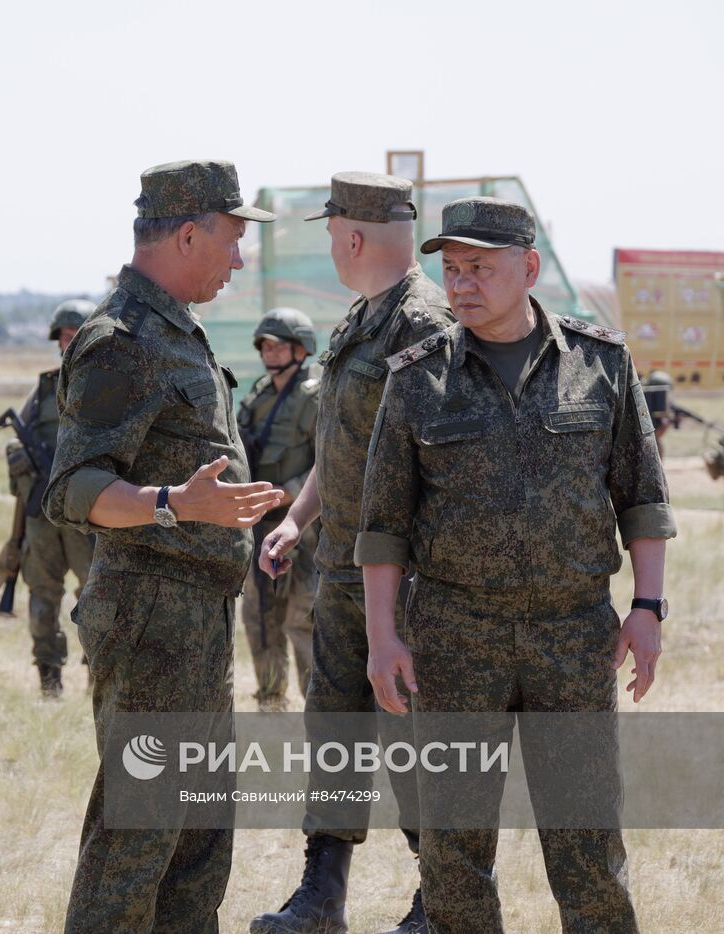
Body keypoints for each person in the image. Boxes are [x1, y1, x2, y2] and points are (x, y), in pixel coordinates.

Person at [358, 197, 675, 933]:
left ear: (528, 268)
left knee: (586, 836)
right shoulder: (414, 377)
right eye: (452, 270)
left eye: (481, 268)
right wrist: (382, 636)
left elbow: (644, 499)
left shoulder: (601, 363)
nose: (462, 285)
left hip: (572, 633)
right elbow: (382, 526)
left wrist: (648, 608)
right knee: (454, 843)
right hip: (454, 636)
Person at [43, 158, 280, 932]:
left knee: (199, 846)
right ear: (187, 234)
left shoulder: (183, 332)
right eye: (233, 240)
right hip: (150, 620)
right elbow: (73, 489)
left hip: (197, 620)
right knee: (137, 842)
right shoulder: (122, 341)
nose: (240, 260)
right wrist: (178, 504)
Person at [253, 172, 452, 934]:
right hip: (339, 564)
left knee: (411, 740)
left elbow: (439, 463)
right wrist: (298, 519)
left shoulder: (423, 323)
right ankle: (321, 896)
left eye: (332, 231)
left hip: (401, 577)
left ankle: (442, 899)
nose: (332, 245)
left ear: (354, 236)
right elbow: (342, 448)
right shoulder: (360, 320)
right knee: (333, 730)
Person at [8, 298, 96, 697]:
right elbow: (18, 436)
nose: (70, 340)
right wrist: (17, 457)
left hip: (89, 514)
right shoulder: (45, 388)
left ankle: (100, 674)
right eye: (63, 335)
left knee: (95, 595)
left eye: (76, 332)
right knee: (42, 594)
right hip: (43, 512)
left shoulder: (105, 385)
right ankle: (49, 679)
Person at [236, 308, 320, 712]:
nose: (270, 353)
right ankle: (271, 702)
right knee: (259, 617)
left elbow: (331, 463)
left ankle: (318, 710)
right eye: (265, 346)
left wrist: (288, 496)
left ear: (301, 349)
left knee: (301, 620)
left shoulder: (314, 397)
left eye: (279, 345)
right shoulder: (257, 397)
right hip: (258, 525)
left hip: (305, 527)